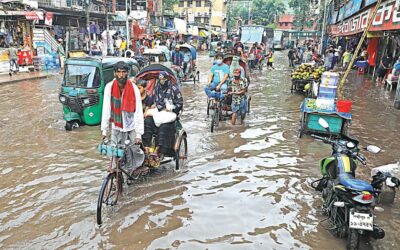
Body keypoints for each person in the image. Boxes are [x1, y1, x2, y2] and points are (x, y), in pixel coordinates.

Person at [101, 61, 146, 174]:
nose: (121, 75)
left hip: (131, 124)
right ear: (114, 73)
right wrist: (104, 130)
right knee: (115, 151)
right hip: (116, 125)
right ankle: (117, 176)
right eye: (119, 72)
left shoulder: (134, 88)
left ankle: (135, 169)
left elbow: (138, 111)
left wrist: (139, 133)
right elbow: (106, 109)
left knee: (134, 150)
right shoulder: (109, 87)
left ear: (127, 73)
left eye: (124, 72)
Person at [142, 72, 183, 166]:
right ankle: (147, 147)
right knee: (147, 121)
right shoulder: (157, 87)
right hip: (158, 112)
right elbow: (153, 100)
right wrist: (151, 107)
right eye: (160, 80)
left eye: (163, 80)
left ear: (167, 79)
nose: (161, 81)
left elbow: (180, 103)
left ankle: (157, 150)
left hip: (170, 114)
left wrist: (171, 108)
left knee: (164, 127)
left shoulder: (174, 89)